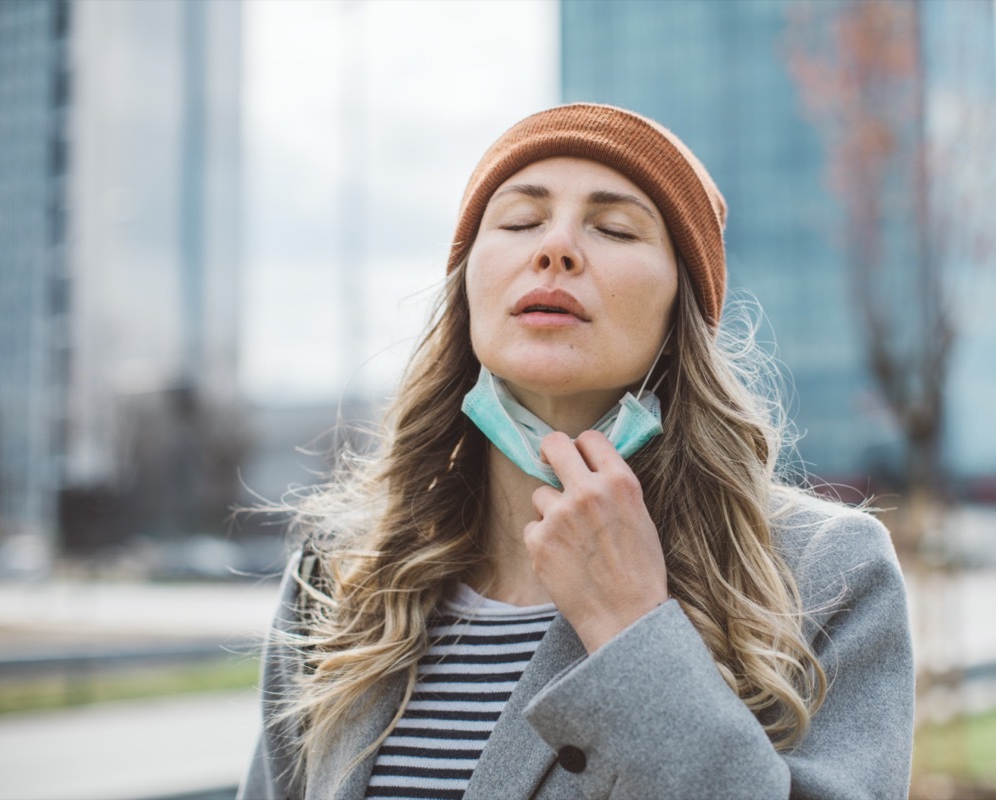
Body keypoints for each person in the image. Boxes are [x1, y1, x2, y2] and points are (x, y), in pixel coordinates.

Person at [239, 103, 914, 800]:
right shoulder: (342, 575)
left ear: (682, 310)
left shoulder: (828, 574)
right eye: (520, 221)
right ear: (468, 289)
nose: (555, 248)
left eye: (615, 227)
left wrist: (633, 627)